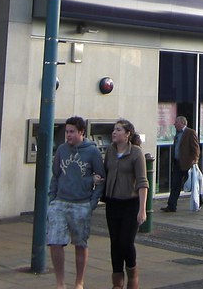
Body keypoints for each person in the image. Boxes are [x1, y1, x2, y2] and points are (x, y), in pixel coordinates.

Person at [47, 115, 104, 289]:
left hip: (81, 204)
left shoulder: (92, 152)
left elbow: (101, 178)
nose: (68, 135)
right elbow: (55, 175)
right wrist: (52, 199)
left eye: (72, 132)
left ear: (81, 132)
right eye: (66, 132)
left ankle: (79, 282)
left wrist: (92, 203)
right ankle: (60, 283)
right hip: (60, 202)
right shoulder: (62, 150)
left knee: (80, 243)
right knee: (55, 241)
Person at [102, 119, 148, 289]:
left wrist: (142, 210)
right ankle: (117, 282)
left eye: (119, 130)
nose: (114, 132)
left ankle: (133, 275)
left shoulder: (136, 153)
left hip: (131, 204)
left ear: (128, 134)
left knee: (125, 242)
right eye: (114, 129)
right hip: (113, 203)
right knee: (114, 242)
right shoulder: (110, 151)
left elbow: (143, 183)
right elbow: (105, 171)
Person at [161, 115, 199, 213]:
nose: (174, 124)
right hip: (177, 163)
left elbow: (195, 148)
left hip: (187, 163)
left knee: (193, 184)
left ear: (182, 123)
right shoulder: (177, 134)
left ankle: (199, 201)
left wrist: (195, 160)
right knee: (175, 184)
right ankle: (171, 205)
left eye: (176, 122)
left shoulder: (190, 133)